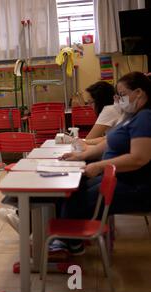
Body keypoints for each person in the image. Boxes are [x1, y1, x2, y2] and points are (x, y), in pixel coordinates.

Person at [53, 72, 151, 254]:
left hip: (135, 185)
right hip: (120, 177)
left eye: (121, 95)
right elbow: (108, 141)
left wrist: (98, 166)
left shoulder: (145, 117)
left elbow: (139, 158)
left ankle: (68, 242)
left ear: (139, 92)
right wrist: (82, 156)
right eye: (117, 96)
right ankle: (66, 238)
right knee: (74, 189)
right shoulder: (131, 115)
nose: (118, 100)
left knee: (76, 199)